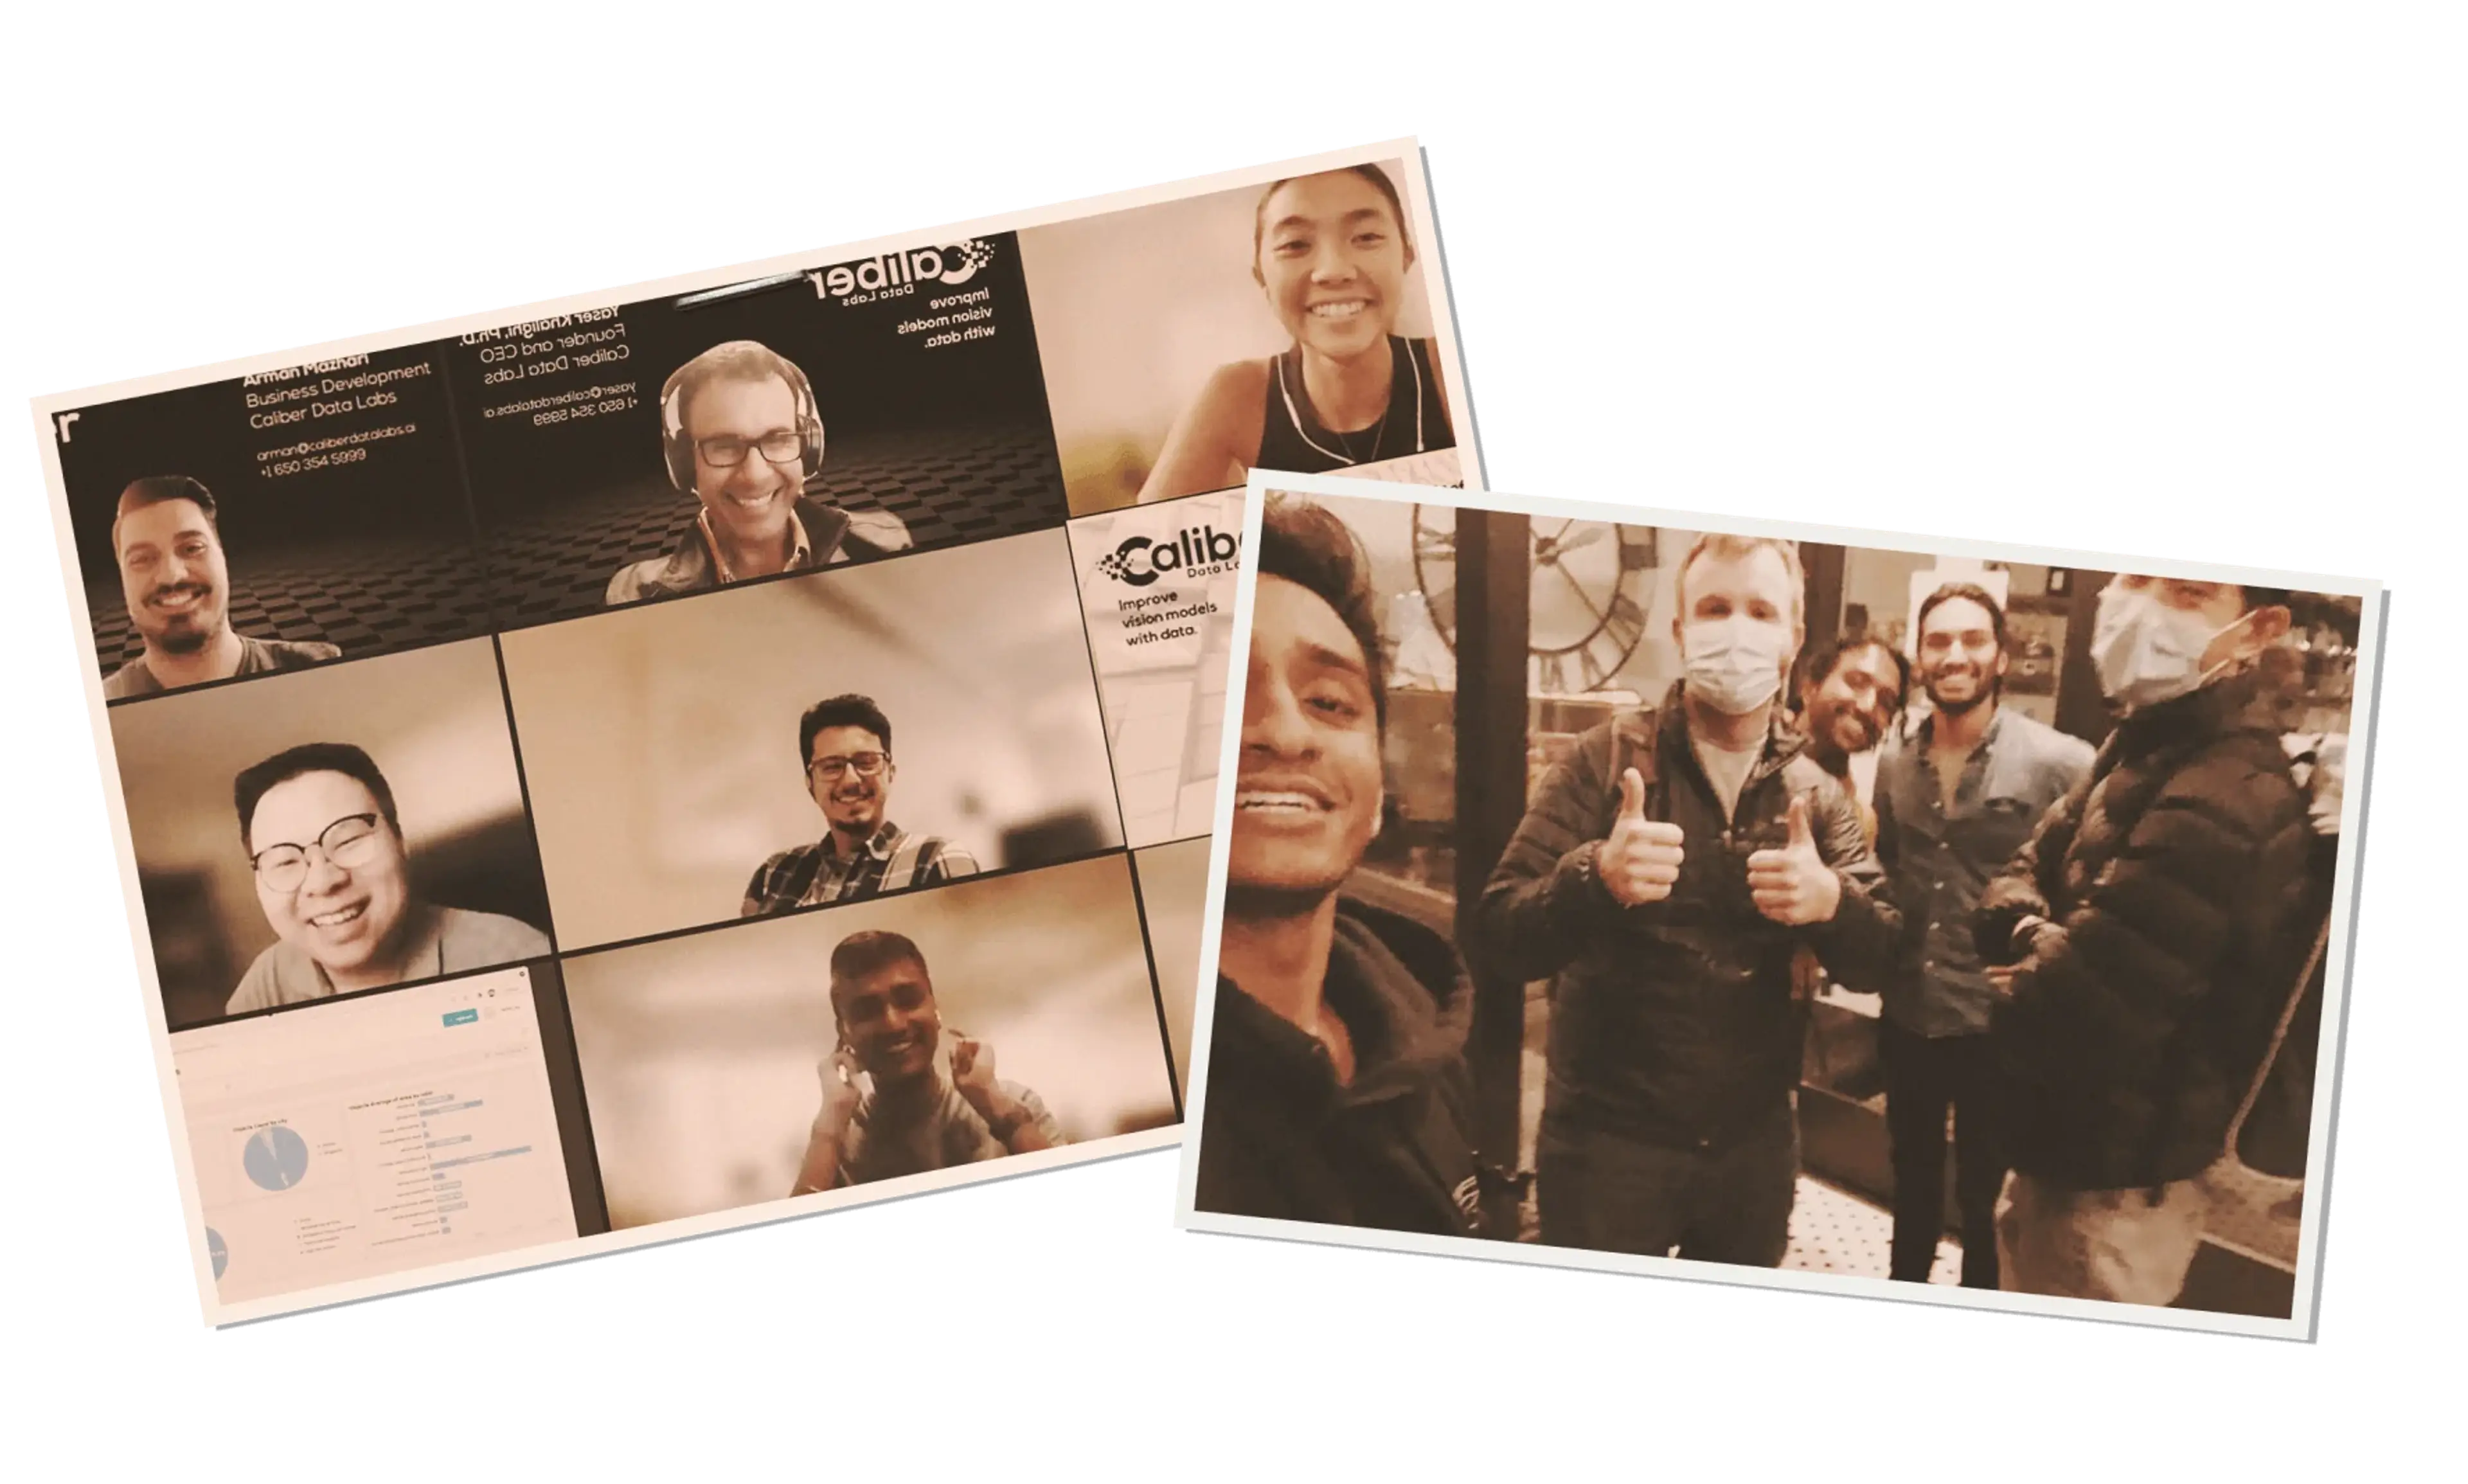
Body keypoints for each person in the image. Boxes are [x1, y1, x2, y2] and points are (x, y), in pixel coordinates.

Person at [1477, 532, 1902, 1266]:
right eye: (1714, 607)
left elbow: (1887, 954)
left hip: (1753, 1148)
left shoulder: (1818, 795)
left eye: (1761, 610)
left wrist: (1833, 902)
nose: (1737, 628)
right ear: (1680, 631)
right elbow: (1498, 931)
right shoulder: (1606, 758)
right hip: (1607, 1146)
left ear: (1793, 639)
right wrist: (1594, 878)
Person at [1974, 575, 2312, 1307]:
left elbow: (2079, 1001)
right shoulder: (2142, 745)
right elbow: (2013, 876)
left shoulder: (2231, 787)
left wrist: (2024, 941)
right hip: (2060, 1152)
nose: (2144, 609)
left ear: (2259, 629)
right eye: (2134, 578)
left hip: (2117, 1192)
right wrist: (2037, 929)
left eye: (2188, 593)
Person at [1190, 496, 1494, 1238]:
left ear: (1380, 796)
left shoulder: (1427, 1035)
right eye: (1225, 692)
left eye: (1330, 700)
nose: (1288, 732)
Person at [1870, 584, 2095, 1289]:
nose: (1954, 654)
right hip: (1909, 1008)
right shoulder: (1894, 758)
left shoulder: (2059, 760)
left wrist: (2049, 955)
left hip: (1998, 1021)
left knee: (1983, 1195)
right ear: (1919, 654)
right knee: (1909, 1179)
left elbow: (2090, 879)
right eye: (1938, 640)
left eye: (1972, 639)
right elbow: (1889, 866)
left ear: (2001, 655)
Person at [1136, 166, 1455, 505]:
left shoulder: (1448, 371)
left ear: (1406, 256)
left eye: (1366, 237)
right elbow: (1139, 545)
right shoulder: (1237, 396)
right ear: (1262, 279)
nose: (1334, 270)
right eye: (1295, 244)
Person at [226, 743, 551, 1015]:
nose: (323, 882)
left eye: (348, 841)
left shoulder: (515, 955)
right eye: (284, 861)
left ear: (400, 841)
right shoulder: (265, 986)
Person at [605, 341, 911, 605]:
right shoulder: (636, 592)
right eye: (724, 446)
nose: (754, 476)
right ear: (686, 463)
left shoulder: (883, 543)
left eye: (778, 439)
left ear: (809, 448)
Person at [791, 930, 1066, 1193]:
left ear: (935, 1009)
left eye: (908, 1000)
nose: (893, 1023)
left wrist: (996, 1108)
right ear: (844, 1031)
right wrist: (830, 1122)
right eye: (868, 1011)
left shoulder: (1013, 1104)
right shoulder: (837, 1146)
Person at [102, 477, 340, 699]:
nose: (171, 576)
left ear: (222, 555)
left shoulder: (318, 665)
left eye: (192, 548)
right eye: (142, 559)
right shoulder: (99, 704)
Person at [742, 695, 981, 916]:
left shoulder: (938, 860)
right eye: (832, 766)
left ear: (890, 773)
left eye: (866, 762)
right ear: (810, 784)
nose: (850, 780)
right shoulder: (774, 873)